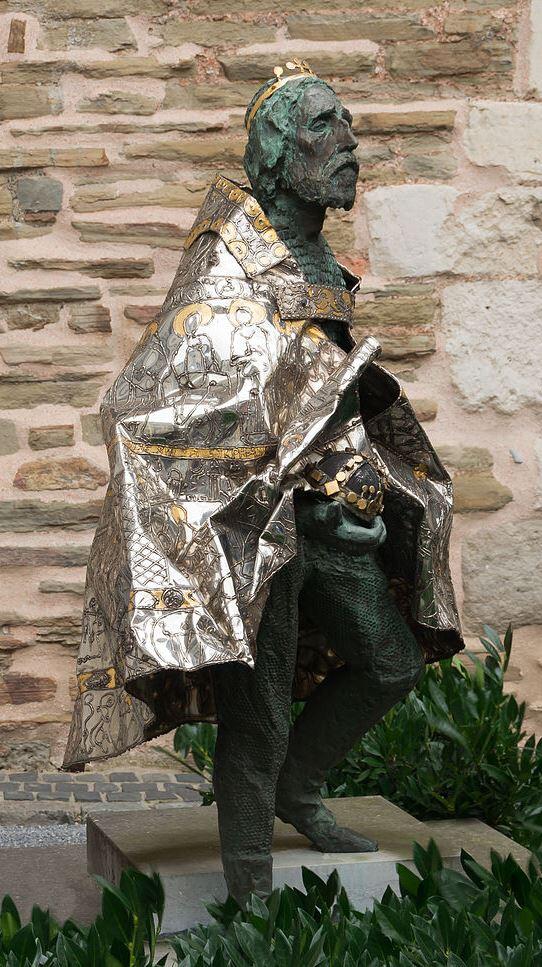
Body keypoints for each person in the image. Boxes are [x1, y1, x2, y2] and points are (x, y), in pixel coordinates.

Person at [63, 62, 462, 905]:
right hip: (253, 534)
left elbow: (319, 398)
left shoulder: (317, 257)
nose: (350, 141)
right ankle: (254, 907)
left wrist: (371, 492)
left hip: (332, 524)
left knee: (391, 663)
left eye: (348, 124)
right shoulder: (225, 263)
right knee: (259, 716)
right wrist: (290, 498)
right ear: (277, 155)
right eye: (326, 125)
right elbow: (156, 406)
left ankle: (298, 792)